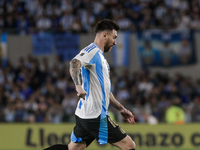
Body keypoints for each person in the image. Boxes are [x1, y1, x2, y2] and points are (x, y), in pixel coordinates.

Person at [43, 19, 136, 150]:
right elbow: (74, 63)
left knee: (73, 149)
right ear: (104, 35)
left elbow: (104, 91)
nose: (115, 42)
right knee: (129, 145)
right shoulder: (92, 51)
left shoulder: (100, 57)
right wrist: (78, 86)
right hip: (95, 115)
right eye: (114, 37)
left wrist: (121, 108)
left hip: (85, 114)